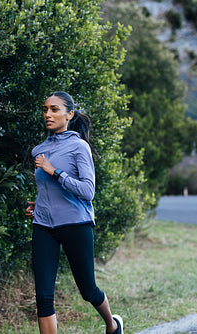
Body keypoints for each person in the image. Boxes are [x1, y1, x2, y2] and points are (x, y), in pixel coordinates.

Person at [25, 91, 123, 334]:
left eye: (54, 109)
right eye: (46, 109)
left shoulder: (79, 147)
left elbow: (88, 191)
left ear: (69, 114)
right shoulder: (39, 149)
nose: (48, 114)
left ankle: (112, 325)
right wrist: (37, 206)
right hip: (44, 227)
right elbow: (47, 189)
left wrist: (55, 171)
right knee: (43, 296)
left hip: (76, 225)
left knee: (87, 289)